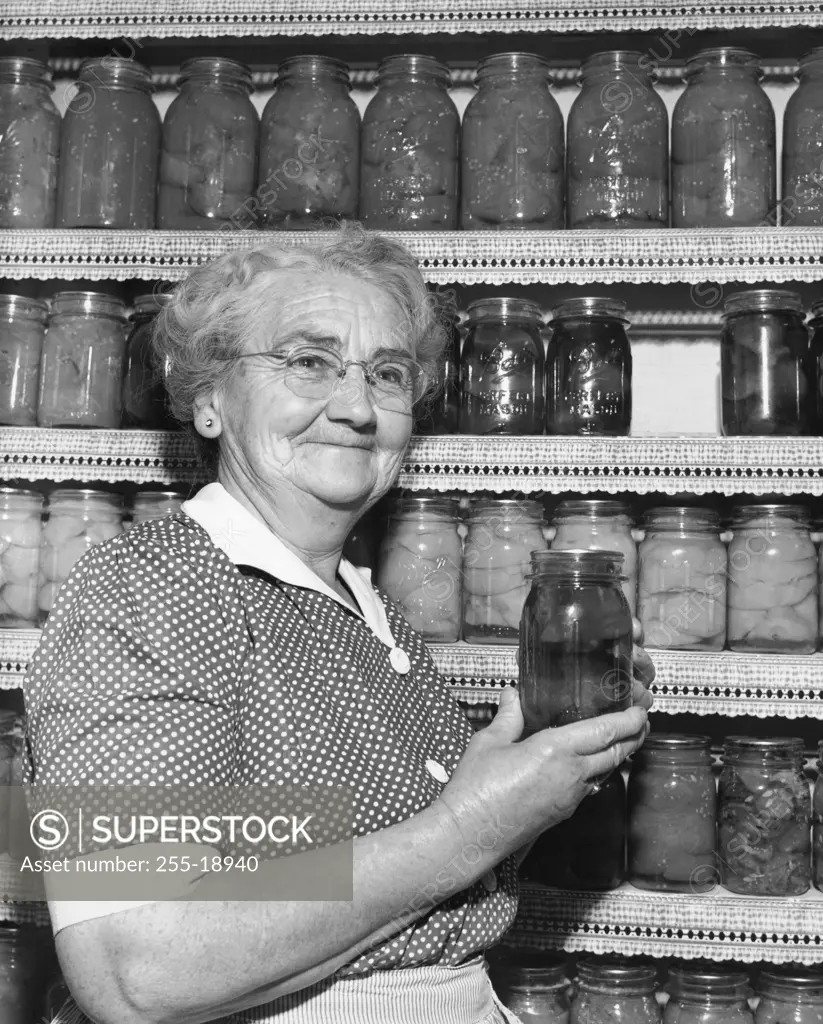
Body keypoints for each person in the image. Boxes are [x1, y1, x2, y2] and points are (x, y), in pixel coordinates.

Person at [25, 224, 653, 1024]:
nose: (357, 407)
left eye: (386, 373)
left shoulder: (370, 608)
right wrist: (469, 827)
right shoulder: (149, 584)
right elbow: (137, 963)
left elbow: (386, 869)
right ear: (210, 400)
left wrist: (537, 775)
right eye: (308, 362)